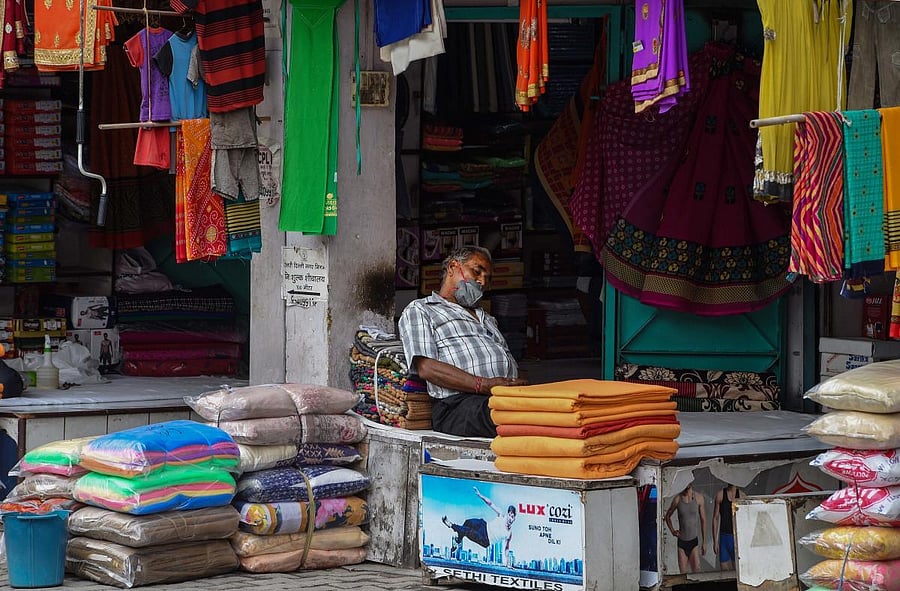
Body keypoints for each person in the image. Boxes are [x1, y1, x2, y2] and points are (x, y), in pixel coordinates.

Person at [398, 246, 527, 437]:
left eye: (487, 278)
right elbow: (426, 366)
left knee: (556, 409)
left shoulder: (486, 318)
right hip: (457, 405)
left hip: (500, 397)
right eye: (477, 271)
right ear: (452, 267)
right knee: (515, 416)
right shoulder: (422, 309)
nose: (482, 281)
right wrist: (483, 385)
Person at [442, 486, 516, 565]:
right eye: (509, 515)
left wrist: (508, 563)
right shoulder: (502, 515)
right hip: (484, 525)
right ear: (507, 514)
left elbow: (507, 548)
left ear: (514, 518)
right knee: (467, 522)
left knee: (467, 531)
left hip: (485, 539)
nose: (510, 519)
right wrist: (480, 495)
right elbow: (490, 503)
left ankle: (451, 525)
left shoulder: (509, 534)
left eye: (512, 517)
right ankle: (458, 542)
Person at [664, 483, 706, 574]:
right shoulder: (677, 499)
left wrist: (704, 542)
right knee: (683, 575)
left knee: (697, 573)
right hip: (682, 543)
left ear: (691, 483)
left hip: (693, 542)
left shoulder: (699, 498)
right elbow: (667, 517)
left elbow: (703, 520)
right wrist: (672, 531)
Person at [713, 484, 742, 570]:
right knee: (724, 569)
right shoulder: (721, 495)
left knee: (737, 570)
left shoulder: (741, 496)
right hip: (724, 537)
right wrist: (715, 541)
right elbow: (715, 518)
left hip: (736, 538)